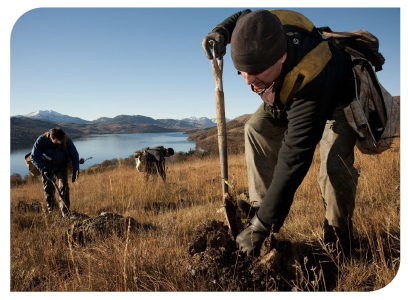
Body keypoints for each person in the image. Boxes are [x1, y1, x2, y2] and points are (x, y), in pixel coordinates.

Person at [202, 9, 359, 255]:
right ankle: (260, 209)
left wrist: (261, 226)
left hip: (339, 99)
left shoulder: (312, 76)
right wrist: (221, 30)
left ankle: (339, 244)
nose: (247, 81)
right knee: (255, 128)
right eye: (242, 71)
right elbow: (245, 17)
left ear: (282, 56)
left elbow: (294, 157)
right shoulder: (265, 28)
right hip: (287, 91)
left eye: (256, 72)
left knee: (333, 170)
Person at [30, 128, 80, 217]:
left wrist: (75, 169)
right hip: (46, 167)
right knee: (48, 190)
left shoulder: (65, 140)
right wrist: (42, 168)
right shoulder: (42, 140)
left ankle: (66, 213)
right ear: (51, 138)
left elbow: (74, 154)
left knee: (64, 187)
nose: (60, 143)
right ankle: (53, 213)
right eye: (57, 141)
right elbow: (34, 156)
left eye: (60, 141)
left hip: (61, 166)